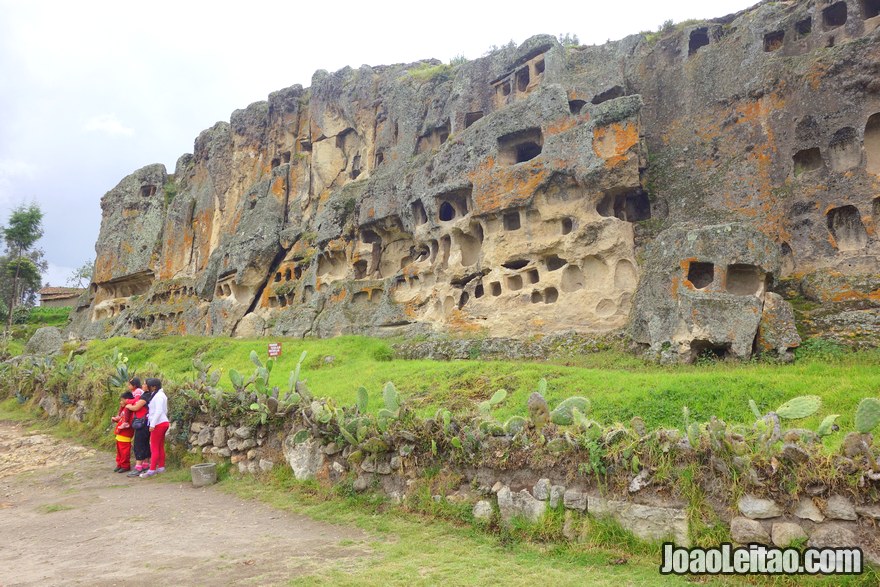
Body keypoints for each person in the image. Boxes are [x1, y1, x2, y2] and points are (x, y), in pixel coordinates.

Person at [140, 378, 169, 478]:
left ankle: (151, 470)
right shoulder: (158, 395)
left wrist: (152, 424)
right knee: (160, 446)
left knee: (154, 447)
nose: (145, 386)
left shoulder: (159, 396)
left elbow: (159, 411)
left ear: (153, 387)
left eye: (147, 384)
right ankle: (161, 467)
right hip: (162, 422)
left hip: (158, 423)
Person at [124, 377, 152, 477]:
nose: (142, 385)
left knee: (139, 444)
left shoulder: (146, 396)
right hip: (146, 422)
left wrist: (128, 406)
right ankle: (146, 464)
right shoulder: (148, 395)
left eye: (144, 384)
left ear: (149, 387)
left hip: (142, 423)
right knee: (145, 443)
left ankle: (138, 467)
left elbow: (136, 407)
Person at [110, 390, 135, 472]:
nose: (121, 402)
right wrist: (116, 420)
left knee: (124, 451)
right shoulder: (124, 409)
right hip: (120, 433)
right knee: (119, 451)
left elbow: (128, 422)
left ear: (127, 400)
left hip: (126, 433)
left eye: (122, 400)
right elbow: (122, 418)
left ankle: (125, 465)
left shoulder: (130, 409)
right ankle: (120, 464)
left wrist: (123, 425)